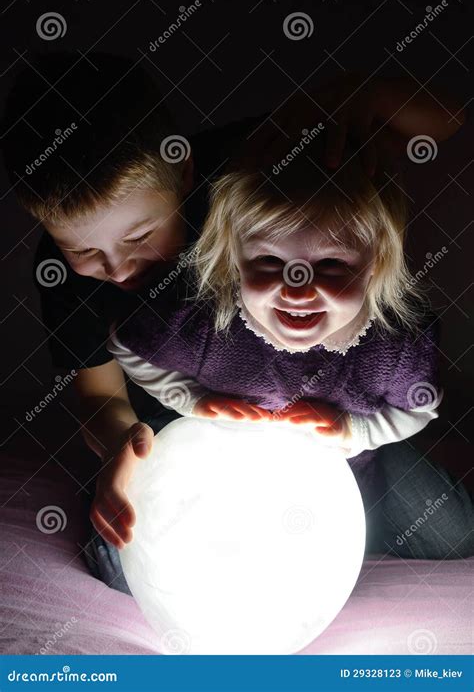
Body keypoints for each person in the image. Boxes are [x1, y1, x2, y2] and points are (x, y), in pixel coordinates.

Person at [2, 57, 468, 592]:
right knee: (125, 565)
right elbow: (100, 398)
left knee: (452, 534)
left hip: (341, 422)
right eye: (83, 249)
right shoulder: (69, 280)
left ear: (185, 171)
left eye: (140, 236)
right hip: (185, 434)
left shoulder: (256, 166)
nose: (117, 268)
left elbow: (447, 116)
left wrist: (337, 97)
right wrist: (123, 452)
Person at [110, 140, 473, 594]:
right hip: (237, 464)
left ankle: (362, 517)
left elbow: (418, 408)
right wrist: (195, 401)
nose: (297, 288)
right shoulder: (209, 328)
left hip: (357, 462)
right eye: (268, 261)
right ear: (234, 260)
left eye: (331, 264)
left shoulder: (393, 346)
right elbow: (127, 346)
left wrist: (356, 432)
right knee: (122, 563)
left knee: (454, 534)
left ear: (375, 264)